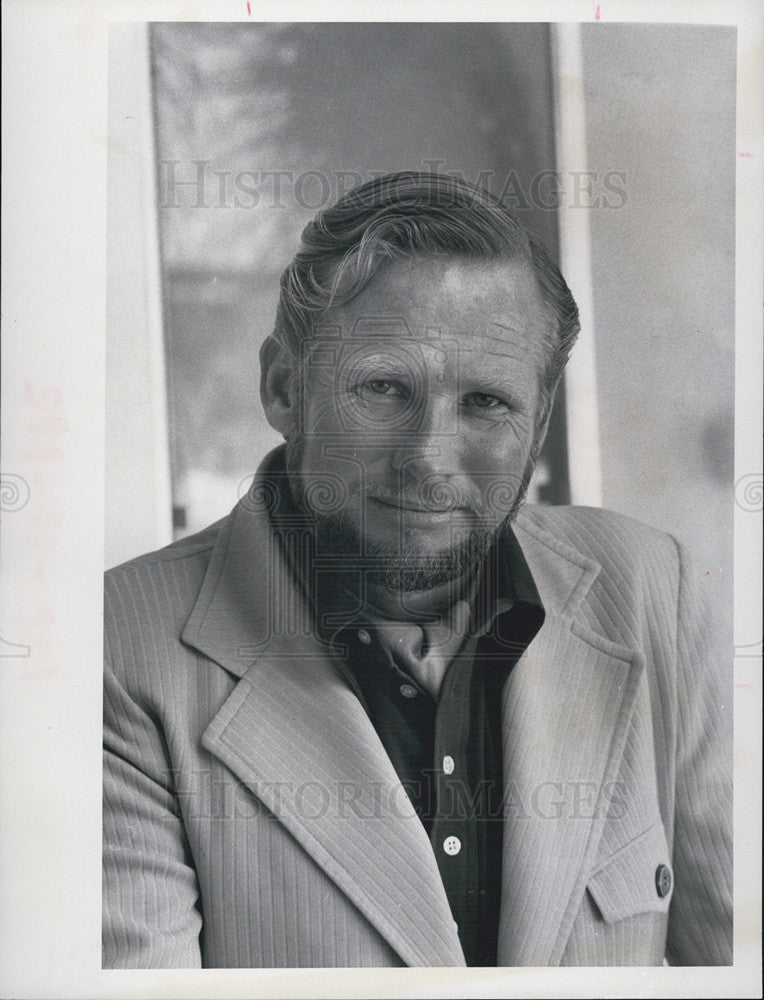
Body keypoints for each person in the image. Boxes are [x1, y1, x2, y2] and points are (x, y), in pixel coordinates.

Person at [103, 172, 732, 968]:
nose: (429, 460)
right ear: (284, 388)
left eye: (486, 403)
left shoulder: (654, 591)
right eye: (384, 388)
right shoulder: (115, 650)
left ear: (538, 425)